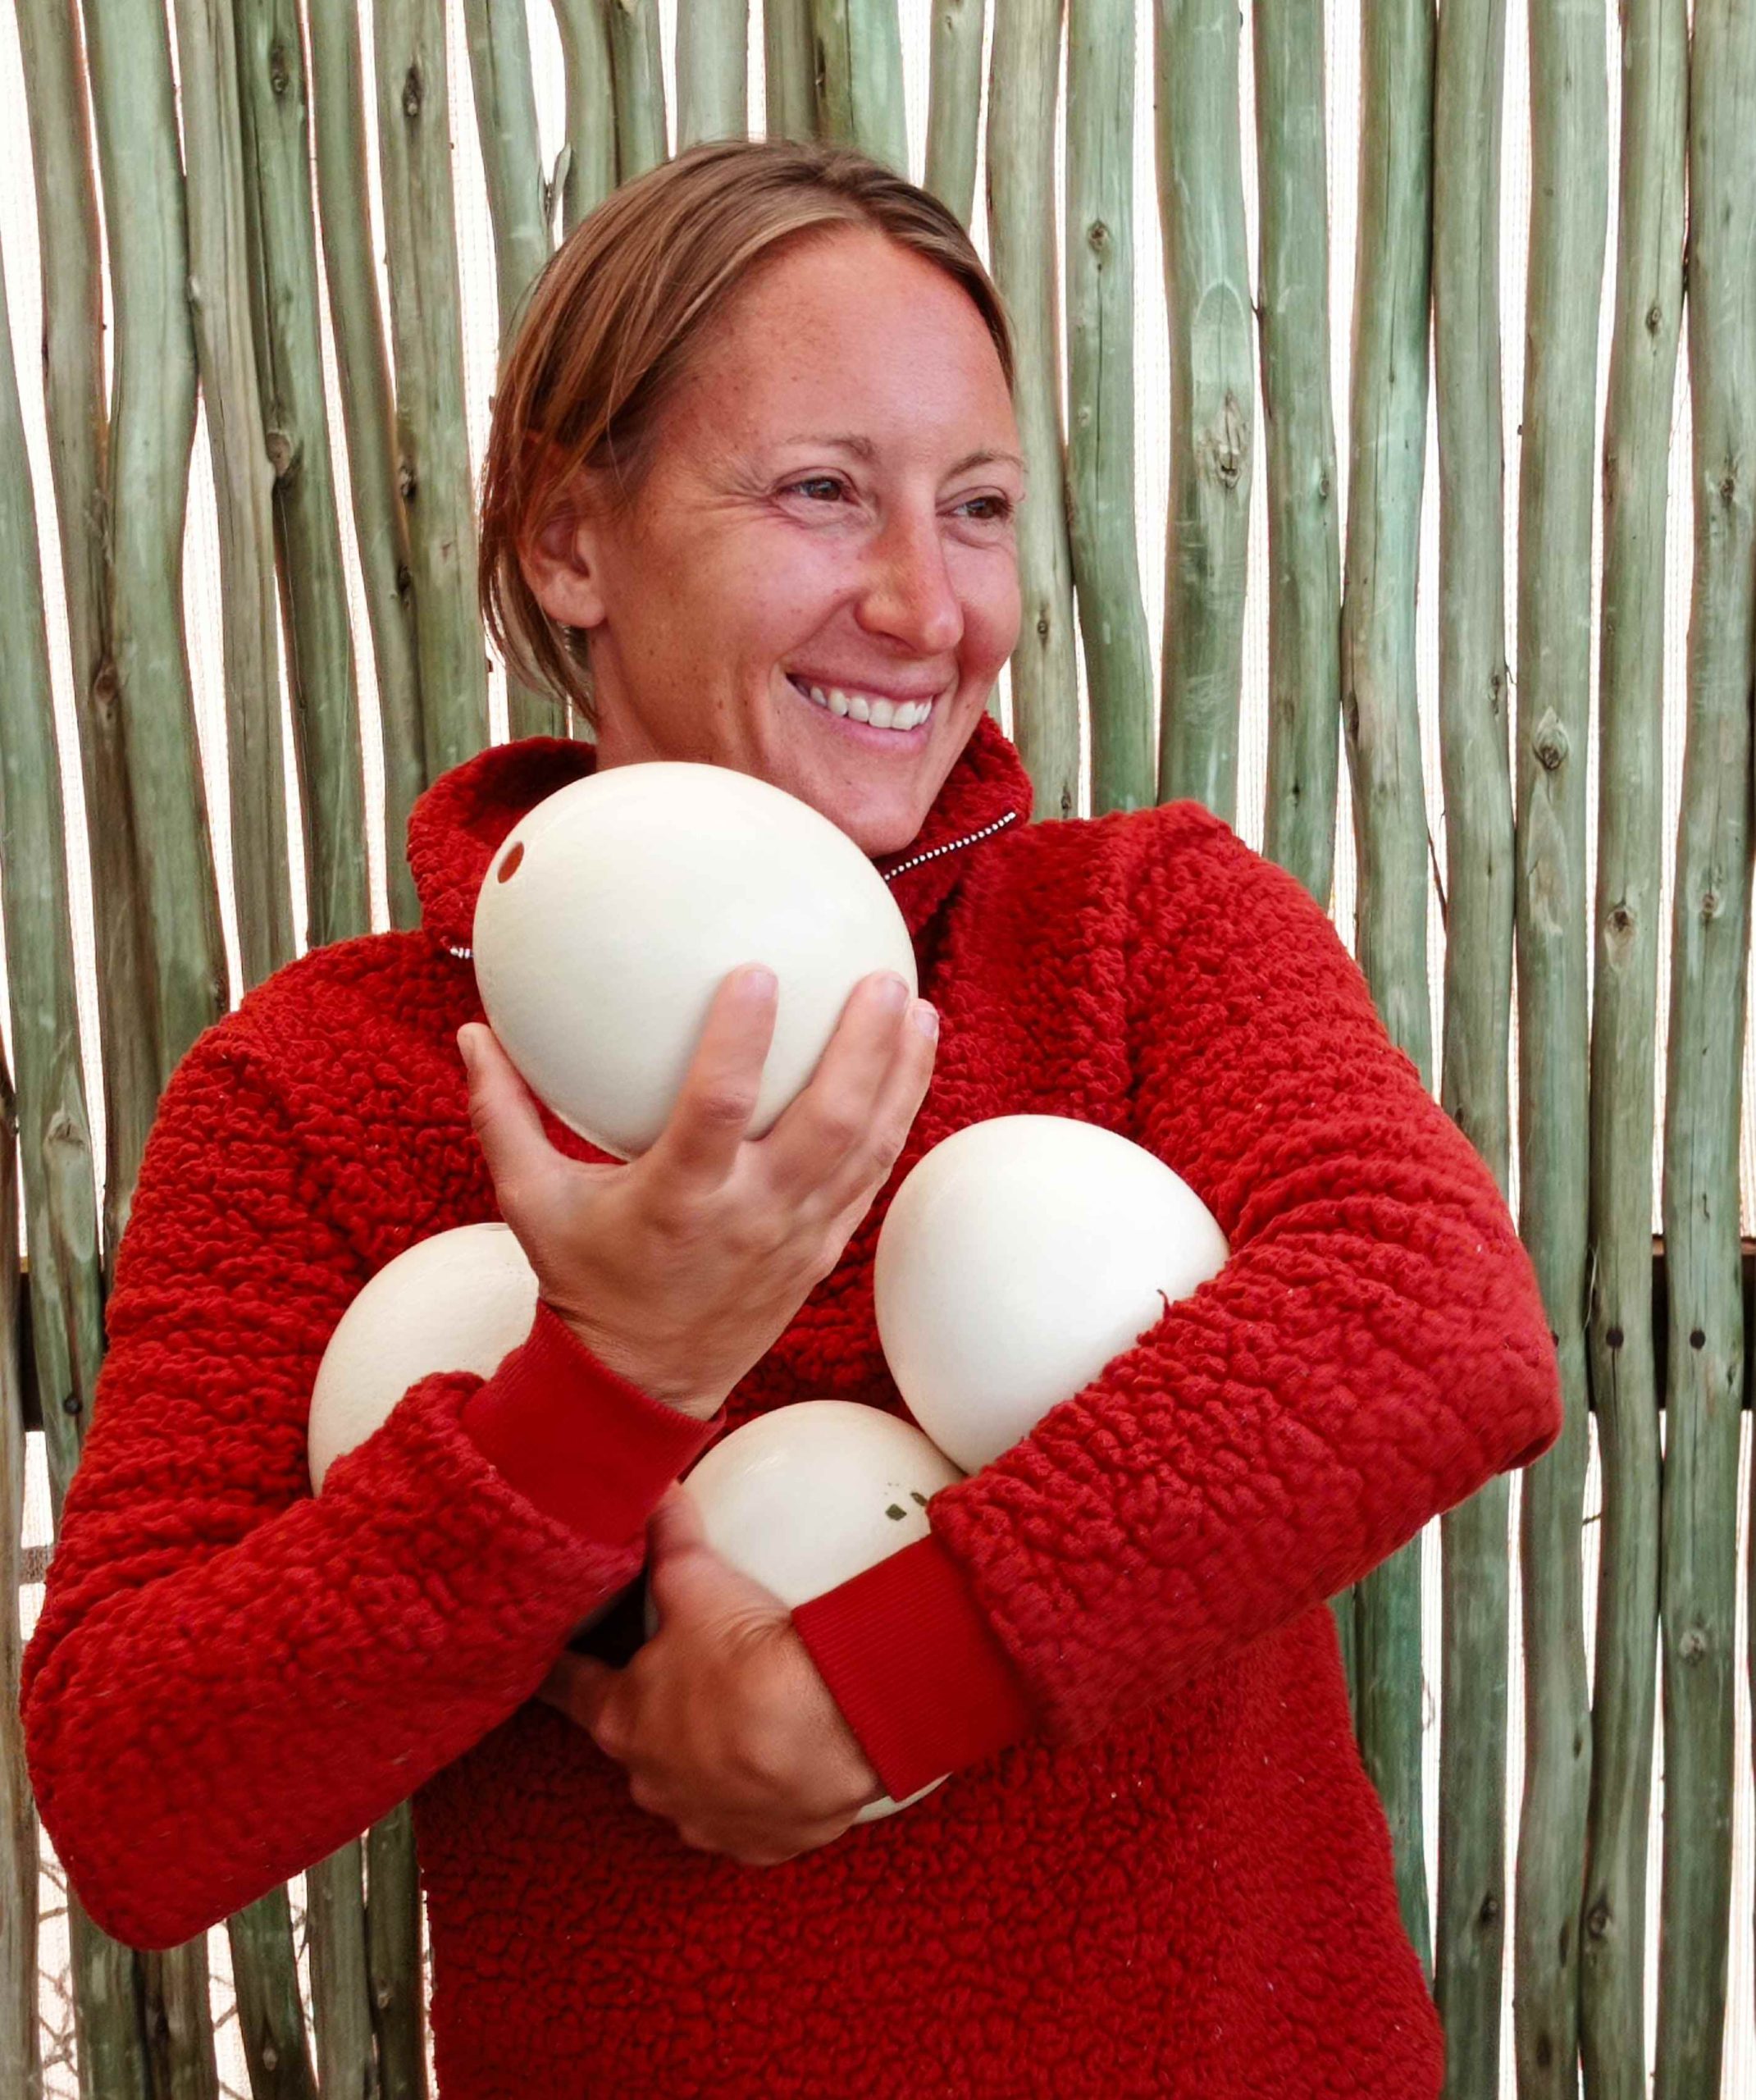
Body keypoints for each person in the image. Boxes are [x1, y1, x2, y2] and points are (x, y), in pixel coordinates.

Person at [22, 139, 1561, 2098]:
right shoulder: (328, 1088)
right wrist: (610, 1382)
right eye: (826, 492)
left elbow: (1437, 1321)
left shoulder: (1137, 931)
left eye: (981, 506)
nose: (927, 604)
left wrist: (888, 1673)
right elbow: (137, 1791)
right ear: (573, 539)